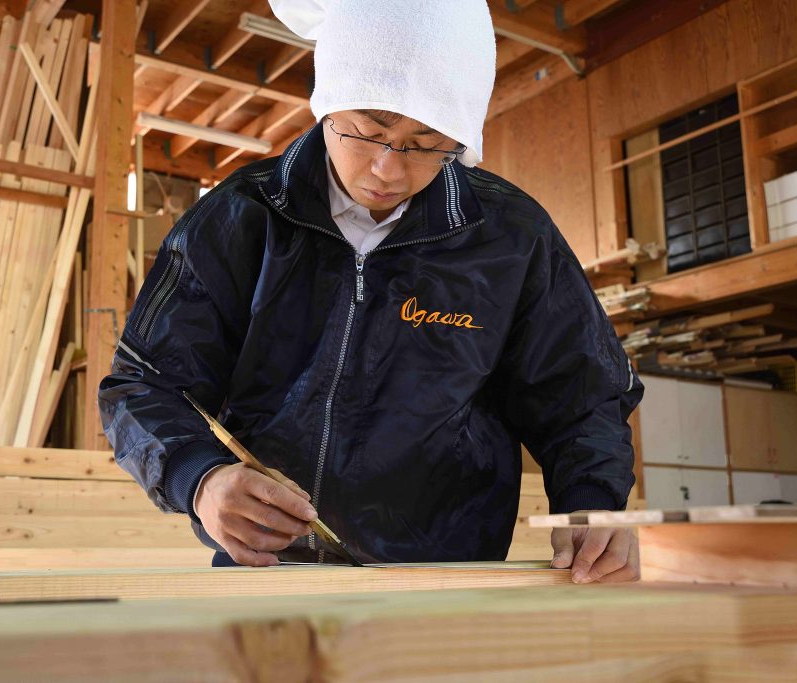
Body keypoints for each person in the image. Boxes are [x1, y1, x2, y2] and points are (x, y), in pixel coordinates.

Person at [98, 0, 644, 583]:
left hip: (450, 582)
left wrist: (593, 503)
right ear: (328, 101)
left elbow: (582, 398)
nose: (387, 169)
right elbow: (144, 382)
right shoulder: (242, 218)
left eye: (426, 142)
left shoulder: (511, 237)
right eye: (370, 130)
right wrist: (201, 478)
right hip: (266, 571)